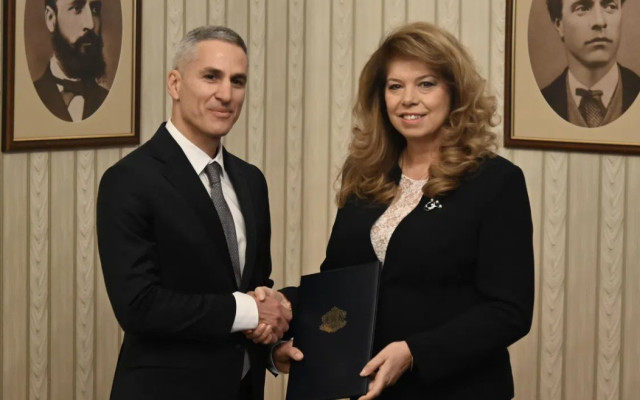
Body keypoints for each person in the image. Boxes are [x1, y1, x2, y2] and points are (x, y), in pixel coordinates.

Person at [276, 22, 535, 399]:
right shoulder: (366, 176)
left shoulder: (496, 182)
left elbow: (509, 311)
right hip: (371, 389)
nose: (408, 99)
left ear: (454, 92)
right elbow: (340, 285)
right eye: (395, 86)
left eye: (426, 84)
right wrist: (281, 307)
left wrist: (415, 352)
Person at [96, 26, 297, 400]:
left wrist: (270, 345)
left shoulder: (251, 181)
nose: (226, 94)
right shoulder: (128, 180)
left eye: (238, 81)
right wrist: (250, 311)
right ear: (175, 84)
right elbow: (139, 305)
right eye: (211, 77)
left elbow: (253, 286)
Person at [541, 0, 640, 127]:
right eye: (582, 8)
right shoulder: (540, 104)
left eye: (610, 6)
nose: (599, 21)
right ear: (559, 25)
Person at [33, 0, 110, 122]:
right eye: (77, 8)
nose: (91, 24)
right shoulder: (28, 99)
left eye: (95, 9)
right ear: (51, 18)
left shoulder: (109, 101)